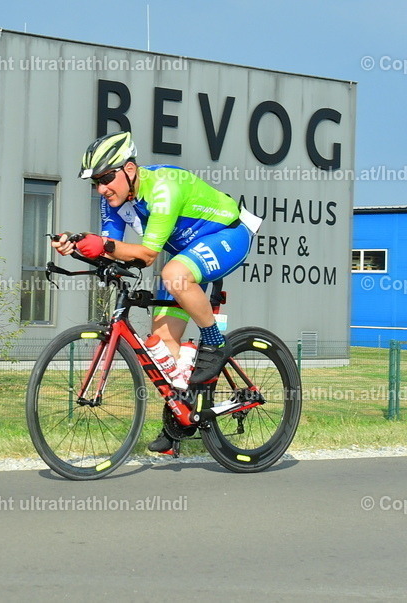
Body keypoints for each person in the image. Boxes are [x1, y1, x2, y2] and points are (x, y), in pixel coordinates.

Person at [51, 131, 262, 453]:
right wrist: (78, 243)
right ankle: (181, 419)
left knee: (173, 273)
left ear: (130, 170)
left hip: (228, 235)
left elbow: (147, 254)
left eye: (106, 178)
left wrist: (103, 245)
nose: (101, 188)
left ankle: (216, 345)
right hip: (184, 255)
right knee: (162, 344)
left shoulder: (163, 188)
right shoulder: (114, 201)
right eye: (95, 182)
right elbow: (113, 249)